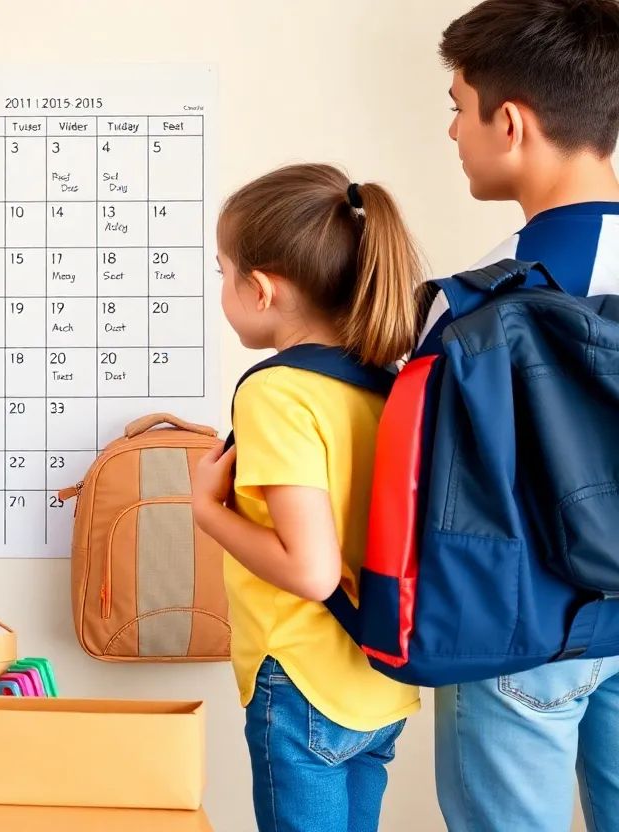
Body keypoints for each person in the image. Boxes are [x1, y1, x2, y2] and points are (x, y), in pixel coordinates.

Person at [426, 2, 619, 830]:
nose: (452, 132)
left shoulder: (474, 300)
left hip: (522, 631)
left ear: (509, 123)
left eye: (458, 109)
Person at [191, 162, 423, 832]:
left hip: (302, 679)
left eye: (221, 271)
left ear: (261, 288)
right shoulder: (384, 381)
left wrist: (206, 511)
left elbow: (311, 570)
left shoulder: (276, 391)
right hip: (378, 677)